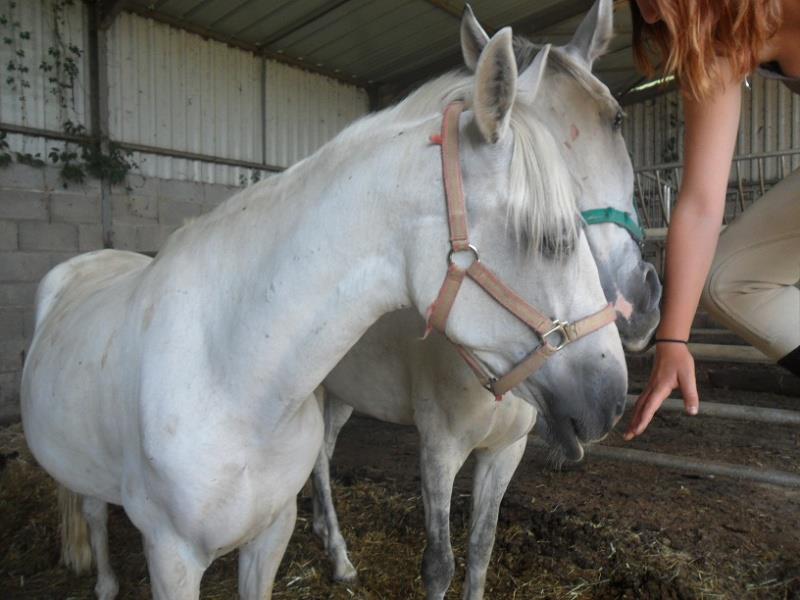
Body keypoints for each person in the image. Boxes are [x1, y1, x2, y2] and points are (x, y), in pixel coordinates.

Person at [624, 0, 800, 440]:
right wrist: (672, 341)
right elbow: (701, 202)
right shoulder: (718, 51)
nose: (648, 16)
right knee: (730, 278)